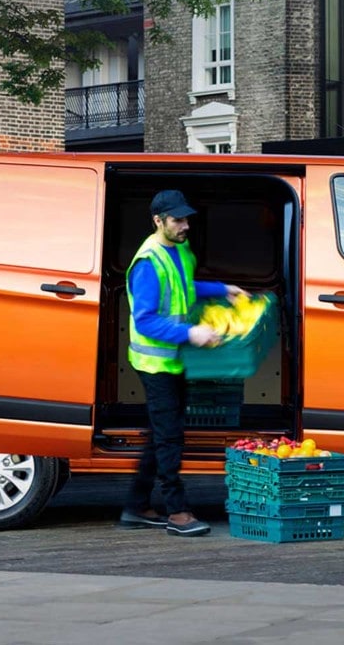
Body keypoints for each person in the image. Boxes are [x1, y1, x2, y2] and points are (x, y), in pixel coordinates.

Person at [119, 189, 245, 537]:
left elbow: (185, 287)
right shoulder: (148, 262)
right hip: (154, 363)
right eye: (177, 220)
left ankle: (136, 506)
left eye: (186, 218)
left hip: (173, 361)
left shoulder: (180, 250)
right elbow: (145, 320)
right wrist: (191, 333)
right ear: (158, 221)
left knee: (161, 436)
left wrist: (221, 289)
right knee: (170, 437)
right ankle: (177, 512)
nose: (185, 225)